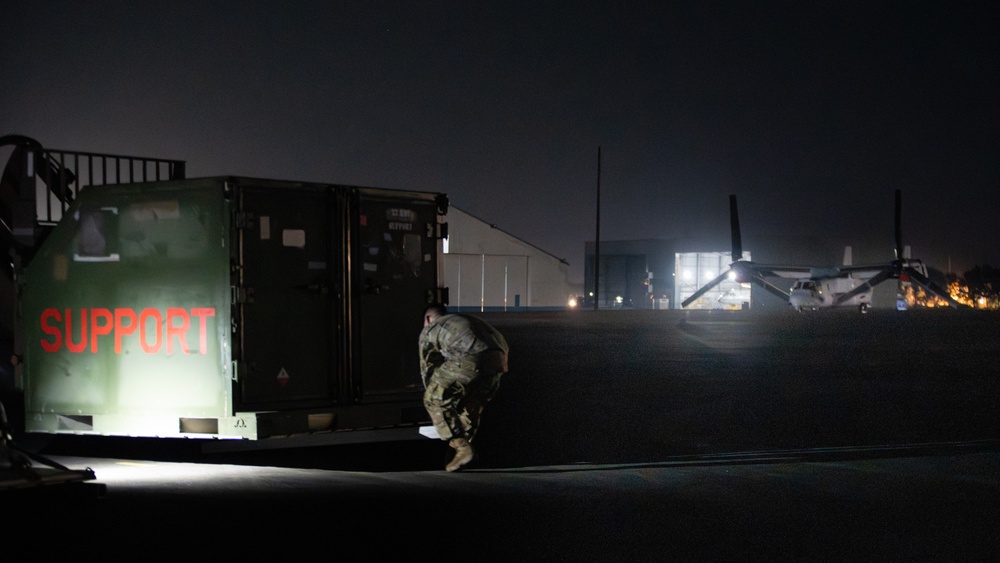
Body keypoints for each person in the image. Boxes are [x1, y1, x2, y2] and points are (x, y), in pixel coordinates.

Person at [419, 303, 509, 472]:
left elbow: (428, 366)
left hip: (469, 359)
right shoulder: (467, 319)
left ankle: (460, 447)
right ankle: (457, 454)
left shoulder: (431, 328)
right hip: (498, 361)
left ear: (428, 318)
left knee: (433, 399)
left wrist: (437, 396)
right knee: (471, 406)